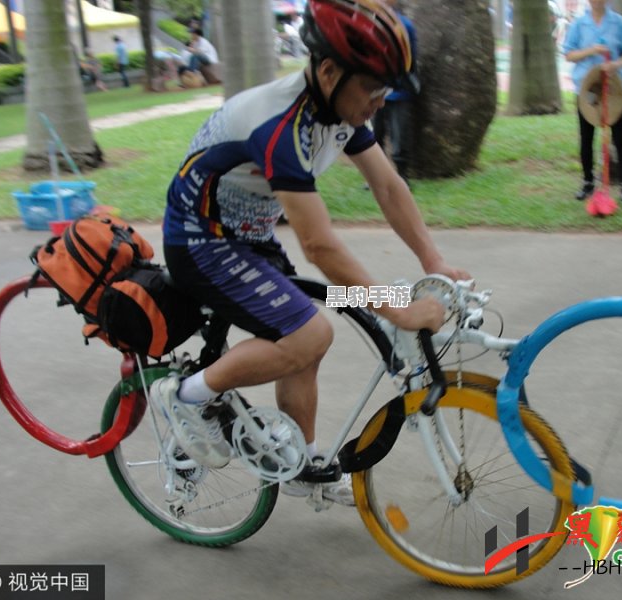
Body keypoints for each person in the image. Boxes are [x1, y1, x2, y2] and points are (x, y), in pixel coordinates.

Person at [150, 0, 470, 507]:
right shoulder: (280, 127)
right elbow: (320, 246)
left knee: (305, 332)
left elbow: (387, 187)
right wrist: (401, 310)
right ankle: (186, 399)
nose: (381, 102)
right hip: (200, 240)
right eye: (374, 88)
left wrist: (432, 260)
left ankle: (298, 460)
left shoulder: (338, 108)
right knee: (310, 330)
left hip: (246, 237)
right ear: (328, 70)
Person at [563, 0, 622, 204]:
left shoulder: (619, 22)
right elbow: (569, 54)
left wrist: (615, 64)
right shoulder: (579, 23)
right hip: (588, 88)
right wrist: (592, 50)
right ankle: (587, 182)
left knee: (621, 137)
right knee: (586, 136)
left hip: (614, 88)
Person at [371, 0, 418, 188]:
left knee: (399, 137)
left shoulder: (404, 25)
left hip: (398, 91)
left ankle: (403, 177)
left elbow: (410, 58)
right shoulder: (372, 22)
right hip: (376, 90)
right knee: (376, 136)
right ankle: (378, 178)